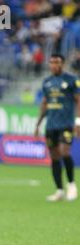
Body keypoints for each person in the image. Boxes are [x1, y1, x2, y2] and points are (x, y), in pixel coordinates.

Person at [35, 54, 80, 202]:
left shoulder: (72, 80)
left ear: (63, 64)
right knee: (54, 156)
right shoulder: (47, 82)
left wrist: (78, 122)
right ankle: (59, 190)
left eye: (57, 62)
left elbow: (78, 101)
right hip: (51, 125)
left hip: (66, 124)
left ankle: (72, 185)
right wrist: (38, 123)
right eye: (52, 62)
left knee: (64, 151)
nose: (54, 65)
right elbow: (45, 103)